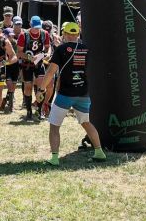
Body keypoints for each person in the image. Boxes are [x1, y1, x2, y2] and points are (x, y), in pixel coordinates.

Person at [45, 21, 106, 165]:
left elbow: (51, 71)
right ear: (77, 34)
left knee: (54, 126)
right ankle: (99, 152)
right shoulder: (86, 49)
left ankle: (54, 158)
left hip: (65, 94)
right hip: (84, 94)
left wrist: (42, 88)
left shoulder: (61, 49)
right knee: (86, 122)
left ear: (65, 34)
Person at [17, 15, 52, 120]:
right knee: (28, 86)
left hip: (39, 63)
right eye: (35, 27)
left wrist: (48, 54)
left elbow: (48, 47)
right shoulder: (24, 35)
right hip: (27, 64)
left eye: (39, 27)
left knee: (41, 86)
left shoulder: (44, 34)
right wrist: (29, 57)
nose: (37, 29)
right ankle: (29, 111)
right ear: (31, 25)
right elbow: (19, 52)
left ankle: (39, 110)